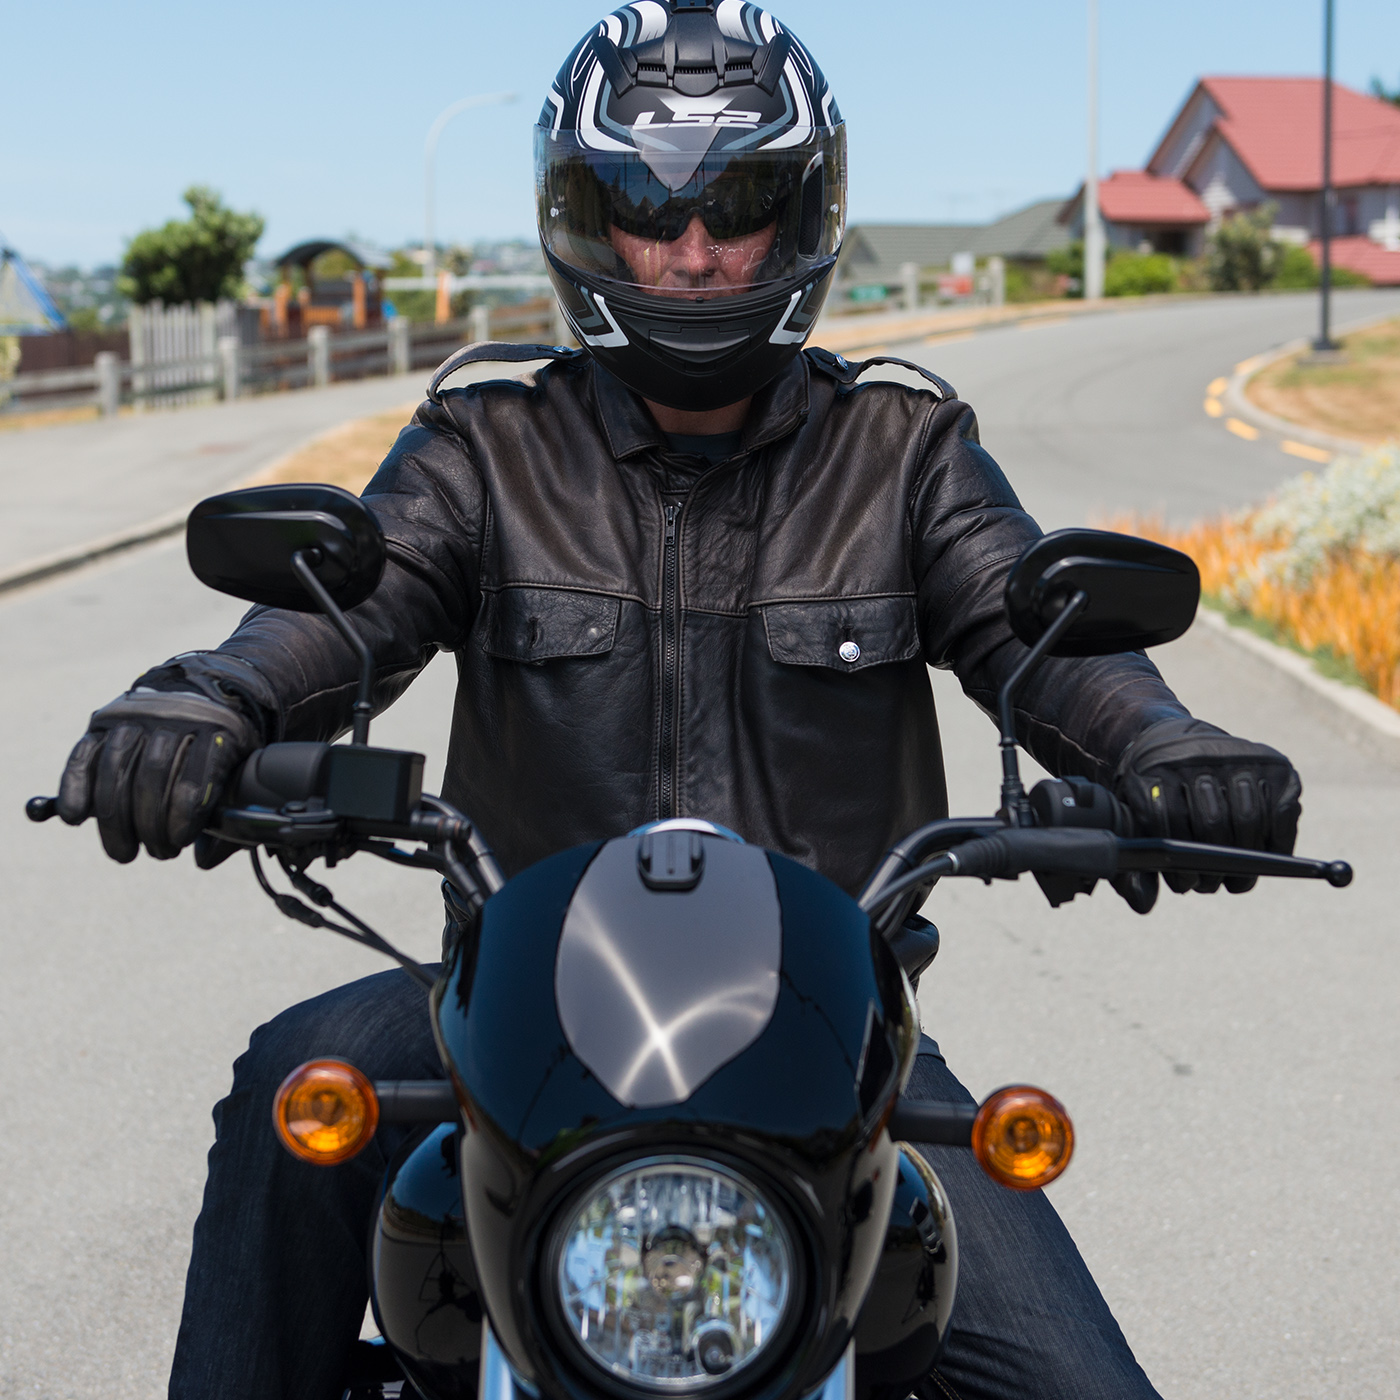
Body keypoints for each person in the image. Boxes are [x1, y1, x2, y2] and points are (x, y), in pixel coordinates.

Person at [54, 6, 1302, 1399]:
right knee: (287, 1094)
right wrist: (206, 703)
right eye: (647, 208)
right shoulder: (489, 446)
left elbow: (1041, 626)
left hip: (824, 1026)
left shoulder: (902, 451)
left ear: (803, 212)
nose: (695, 252)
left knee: (1086, 1388)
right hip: (519, 1012)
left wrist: (1169, 744)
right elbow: (351, 599)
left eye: (740, 205)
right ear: (583, 217)